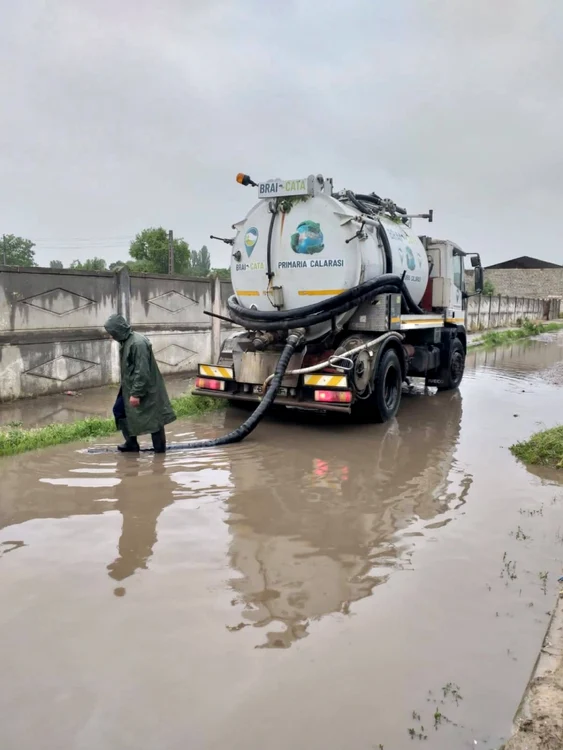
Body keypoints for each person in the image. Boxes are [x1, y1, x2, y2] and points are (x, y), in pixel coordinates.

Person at [104, 313, 176, 453]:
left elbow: (142, 371)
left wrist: (136, 393)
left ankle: (160, 455)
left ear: (118, 330)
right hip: (130, 387)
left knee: (154, 420)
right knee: (119, 411)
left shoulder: (137, 343)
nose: (111, 336)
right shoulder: (127, 341)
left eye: (112, 333)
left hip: (146, 389)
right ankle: (131, 443)